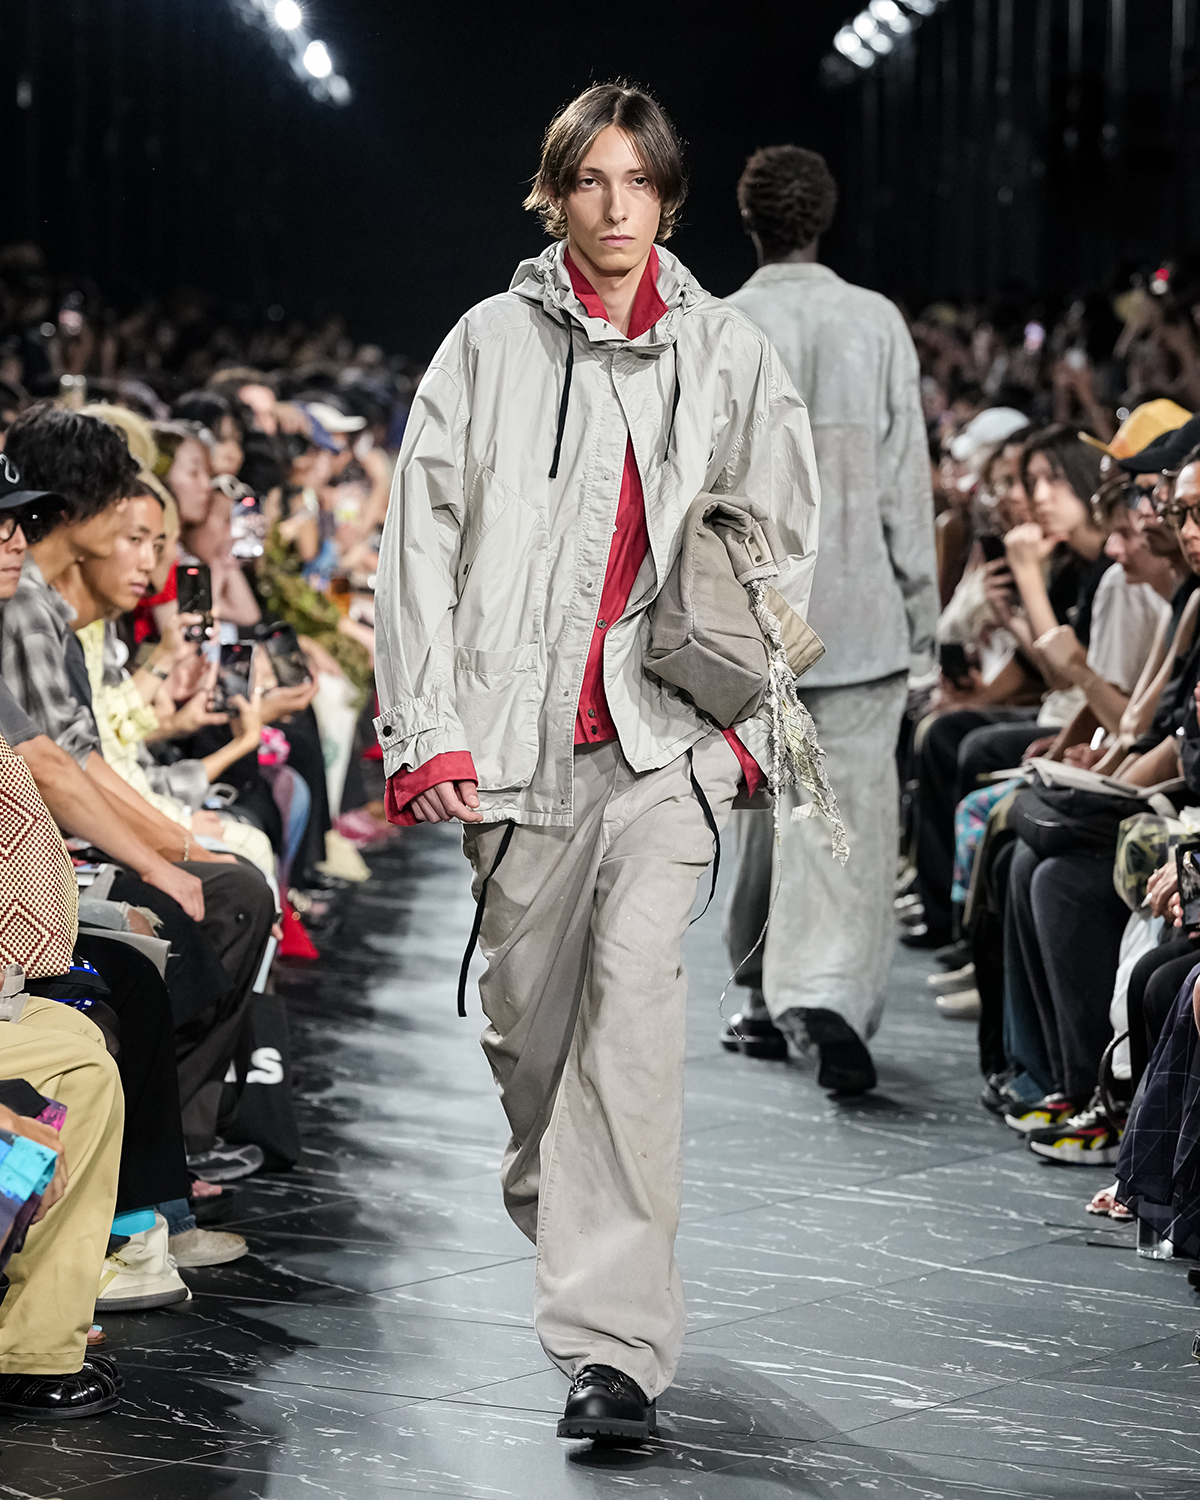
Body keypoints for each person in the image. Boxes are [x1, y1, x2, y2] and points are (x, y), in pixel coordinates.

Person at [374, 83, 819, 1441]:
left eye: (639, 181)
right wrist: (427, 728)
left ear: (668, 199)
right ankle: (569, 1214)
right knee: (529, 1043)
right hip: (518, 755)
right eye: (590, 180)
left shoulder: (730, 353)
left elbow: (781, 543)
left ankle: (612, 1349)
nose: (616, 207)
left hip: (665, 747)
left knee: (631, 1030)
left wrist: (745, 730)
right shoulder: (486, 345)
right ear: (555, 194)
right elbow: (416, 544)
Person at [720, 145, 937, 1091]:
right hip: (861, 611)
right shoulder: (876, 321)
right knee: (847, 814)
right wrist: (923, 617)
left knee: (770, 807)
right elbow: (904, 485)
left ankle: (758, 993)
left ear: (751, 221)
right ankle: (828, 995)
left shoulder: (721, 325)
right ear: (825, 218)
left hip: (755, 616)